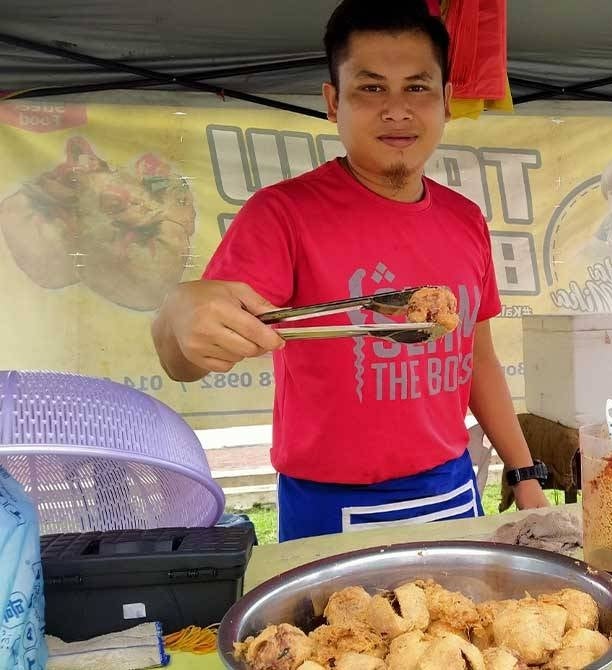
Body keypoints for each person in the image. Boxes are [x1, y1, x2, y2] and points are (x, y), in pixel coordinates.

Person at [151, 0, 549, 541]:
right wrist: (178, 317)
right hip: (328, 503)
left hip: (453, 486)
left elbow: (476, 356)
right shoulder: (282, 214)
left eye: (416, 87)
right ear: (333, 101)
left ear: (447, 101)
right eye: (371, 88)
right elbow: (184, 358)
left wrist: (524, 473)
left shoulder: (465, 219)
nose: (396, 110)